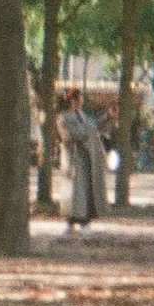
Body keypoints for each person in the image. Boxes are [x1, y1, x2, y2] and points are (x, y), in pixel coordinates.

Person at [56, 88, 105, 234]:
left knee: (85, 190)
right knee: (73, 191)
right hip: (73, 158)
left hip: (86, 157)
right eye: (78, 100)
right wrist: (87, 132)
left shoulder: (81, 116)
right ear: (71, 101)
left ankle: (84, 220)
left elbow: (93, 126)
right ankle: (71, 221)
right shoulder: (63, 117)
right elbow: (70, 135)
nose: (80, 103)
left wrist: (107, 117)